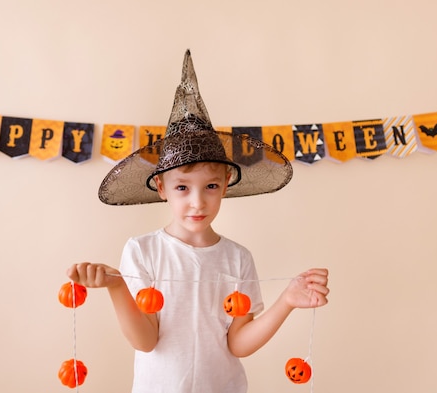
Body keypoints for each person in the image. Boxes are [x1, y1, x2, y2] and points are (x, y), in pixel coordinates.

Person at [67, 50, 329, 393]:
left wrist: (287, 302)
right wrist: (117, 286)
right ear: (161, 187)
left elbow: (238, 344)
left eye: (211, 186)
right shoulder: (143, 251)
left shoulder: (237, 258)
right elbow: (146, 341)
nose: (197, 201)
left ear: (225, 186)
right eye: (182, 187)